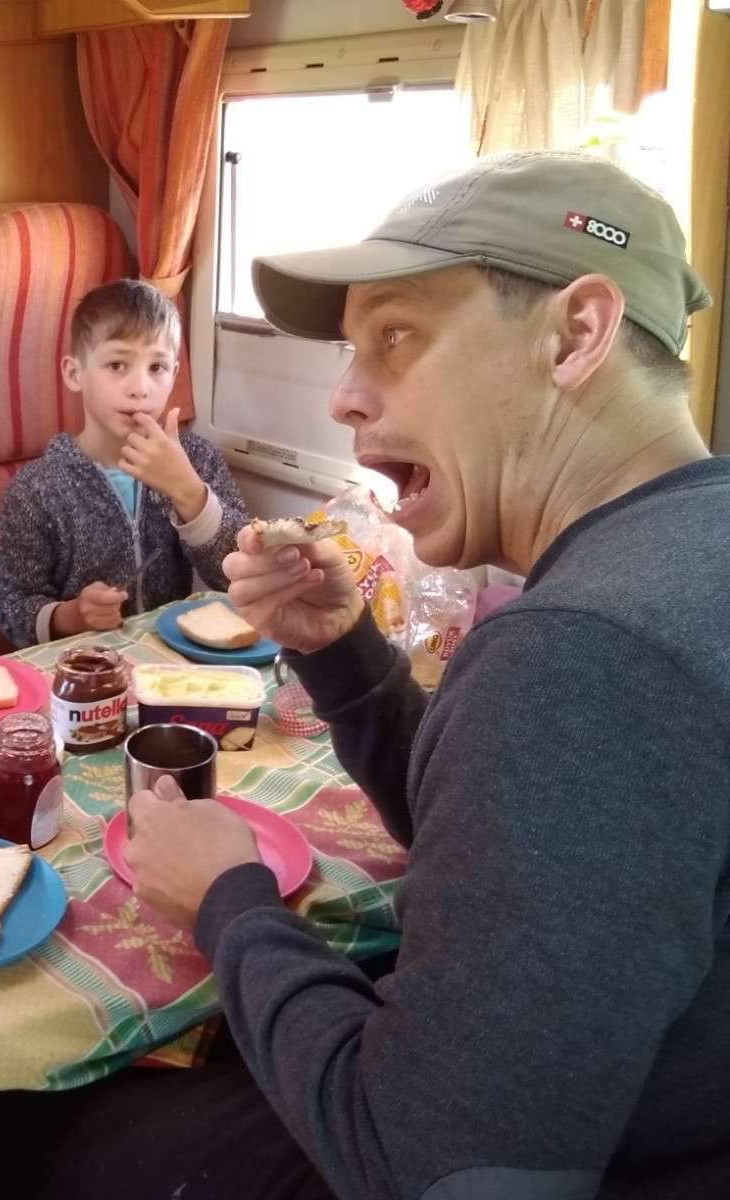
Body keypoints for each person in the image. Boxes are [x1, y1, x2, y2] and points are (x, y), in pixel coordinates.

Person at [111, 152, 727, 1198]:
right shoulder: (686, 549)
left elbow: (423, 1168)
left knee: (31, 1116)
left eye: (395, 337)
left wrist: (228, 899)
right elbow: (509, 849)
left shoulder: (584, 654)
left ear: (575, 334)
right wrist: (342, 651)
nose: (345, 398)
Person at [0, 279, 247, 648]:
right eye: (117, 365)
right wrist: (71, 616)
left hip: (172, 660)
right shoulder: (36, 490)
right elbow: (11, 604)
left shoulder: (197, 460)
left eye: (157, 367)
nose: (140, 387)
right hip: (86, 667)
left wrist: (189, 492)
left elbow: (241, 573)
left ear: (175, 374)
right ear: (74, 373)